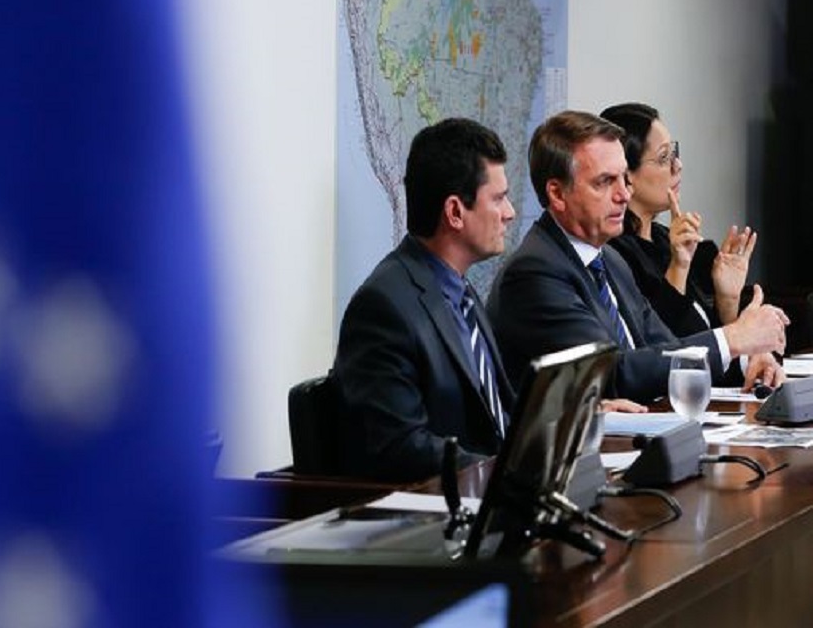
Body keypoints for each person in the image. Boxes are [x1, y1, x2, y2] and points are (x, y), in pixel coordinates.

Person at [487, 111, 786, 403]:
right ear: (557, 193)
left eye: (624, 179)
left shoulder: (610, 260)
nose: (624, 195)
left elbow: (667, 350)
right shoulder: (534, 272)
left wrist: (746, 360)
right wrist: (733, 339)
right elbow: (611, 373)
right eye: (605, 181)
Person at [331, 118, 516, 482]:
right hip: (441, 505)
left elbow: (497, 409)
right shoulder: (384, 308)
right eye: (498, 198)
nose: (509, 212)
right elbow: (401, 447)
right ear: (455, 212)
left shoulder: (460, 291)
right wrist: (504, 473)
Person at [601, 102, 755, 337]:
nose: (678, 166)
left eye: (674, 153)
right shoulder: (614, 254)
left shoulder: (664, 238)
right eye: (664, 158)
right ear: (626, 174)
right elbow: (656, 344)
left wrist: (728, 299)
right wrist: (679, 267)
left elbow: (715, 344)